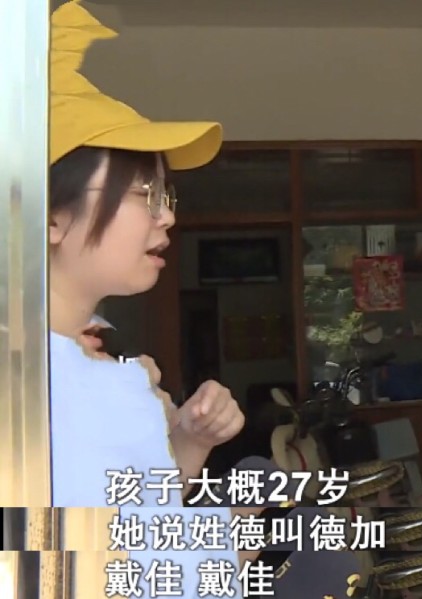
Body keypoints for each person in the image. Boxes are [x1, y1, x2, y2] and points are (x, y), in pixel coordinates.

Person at [46, 2, 251, 597]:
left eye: (168, 197)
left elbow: (133, 520)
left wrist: (187, 442)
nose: (166, 217)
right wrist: (231, 546)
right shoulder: (34, 388)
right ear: (49, 215)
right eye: (145, 193)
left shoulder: (92, 374)